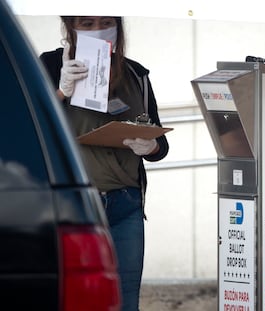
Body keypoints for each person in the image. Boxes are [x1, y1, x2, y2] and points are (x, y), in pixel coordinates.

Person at [40, 16, 169, 311]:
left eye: (106, 21)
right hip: (74, 205)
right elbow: (31, 128)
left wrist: (151, 145)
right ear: (69, 27)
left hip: (126, 203)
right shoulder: (48, 66)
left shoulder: (136, 74)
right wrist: (60, 93)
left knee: (125, 299)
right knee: (75, 298)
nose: (97, 28)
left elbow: (160, 145)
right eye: (86, 23)